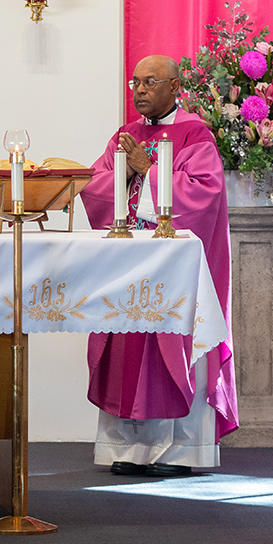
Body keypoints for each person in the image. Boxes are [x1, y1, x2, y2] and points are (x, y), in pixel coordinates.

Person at [79, 54, 237, 477]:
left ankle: (182, 451)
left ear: (174, 86)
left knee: (174, 344)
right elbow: (96, 186)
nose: (141, 90)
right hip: (131, 264)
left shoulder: (195, 133)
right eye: (135, 83)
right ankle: (128, 450)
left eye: (150, 82)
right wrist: (128, 175)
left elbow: (204, 193)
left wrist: (146, 170)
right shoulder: (125, 135)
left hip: (174, 268)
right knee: (128, 344)